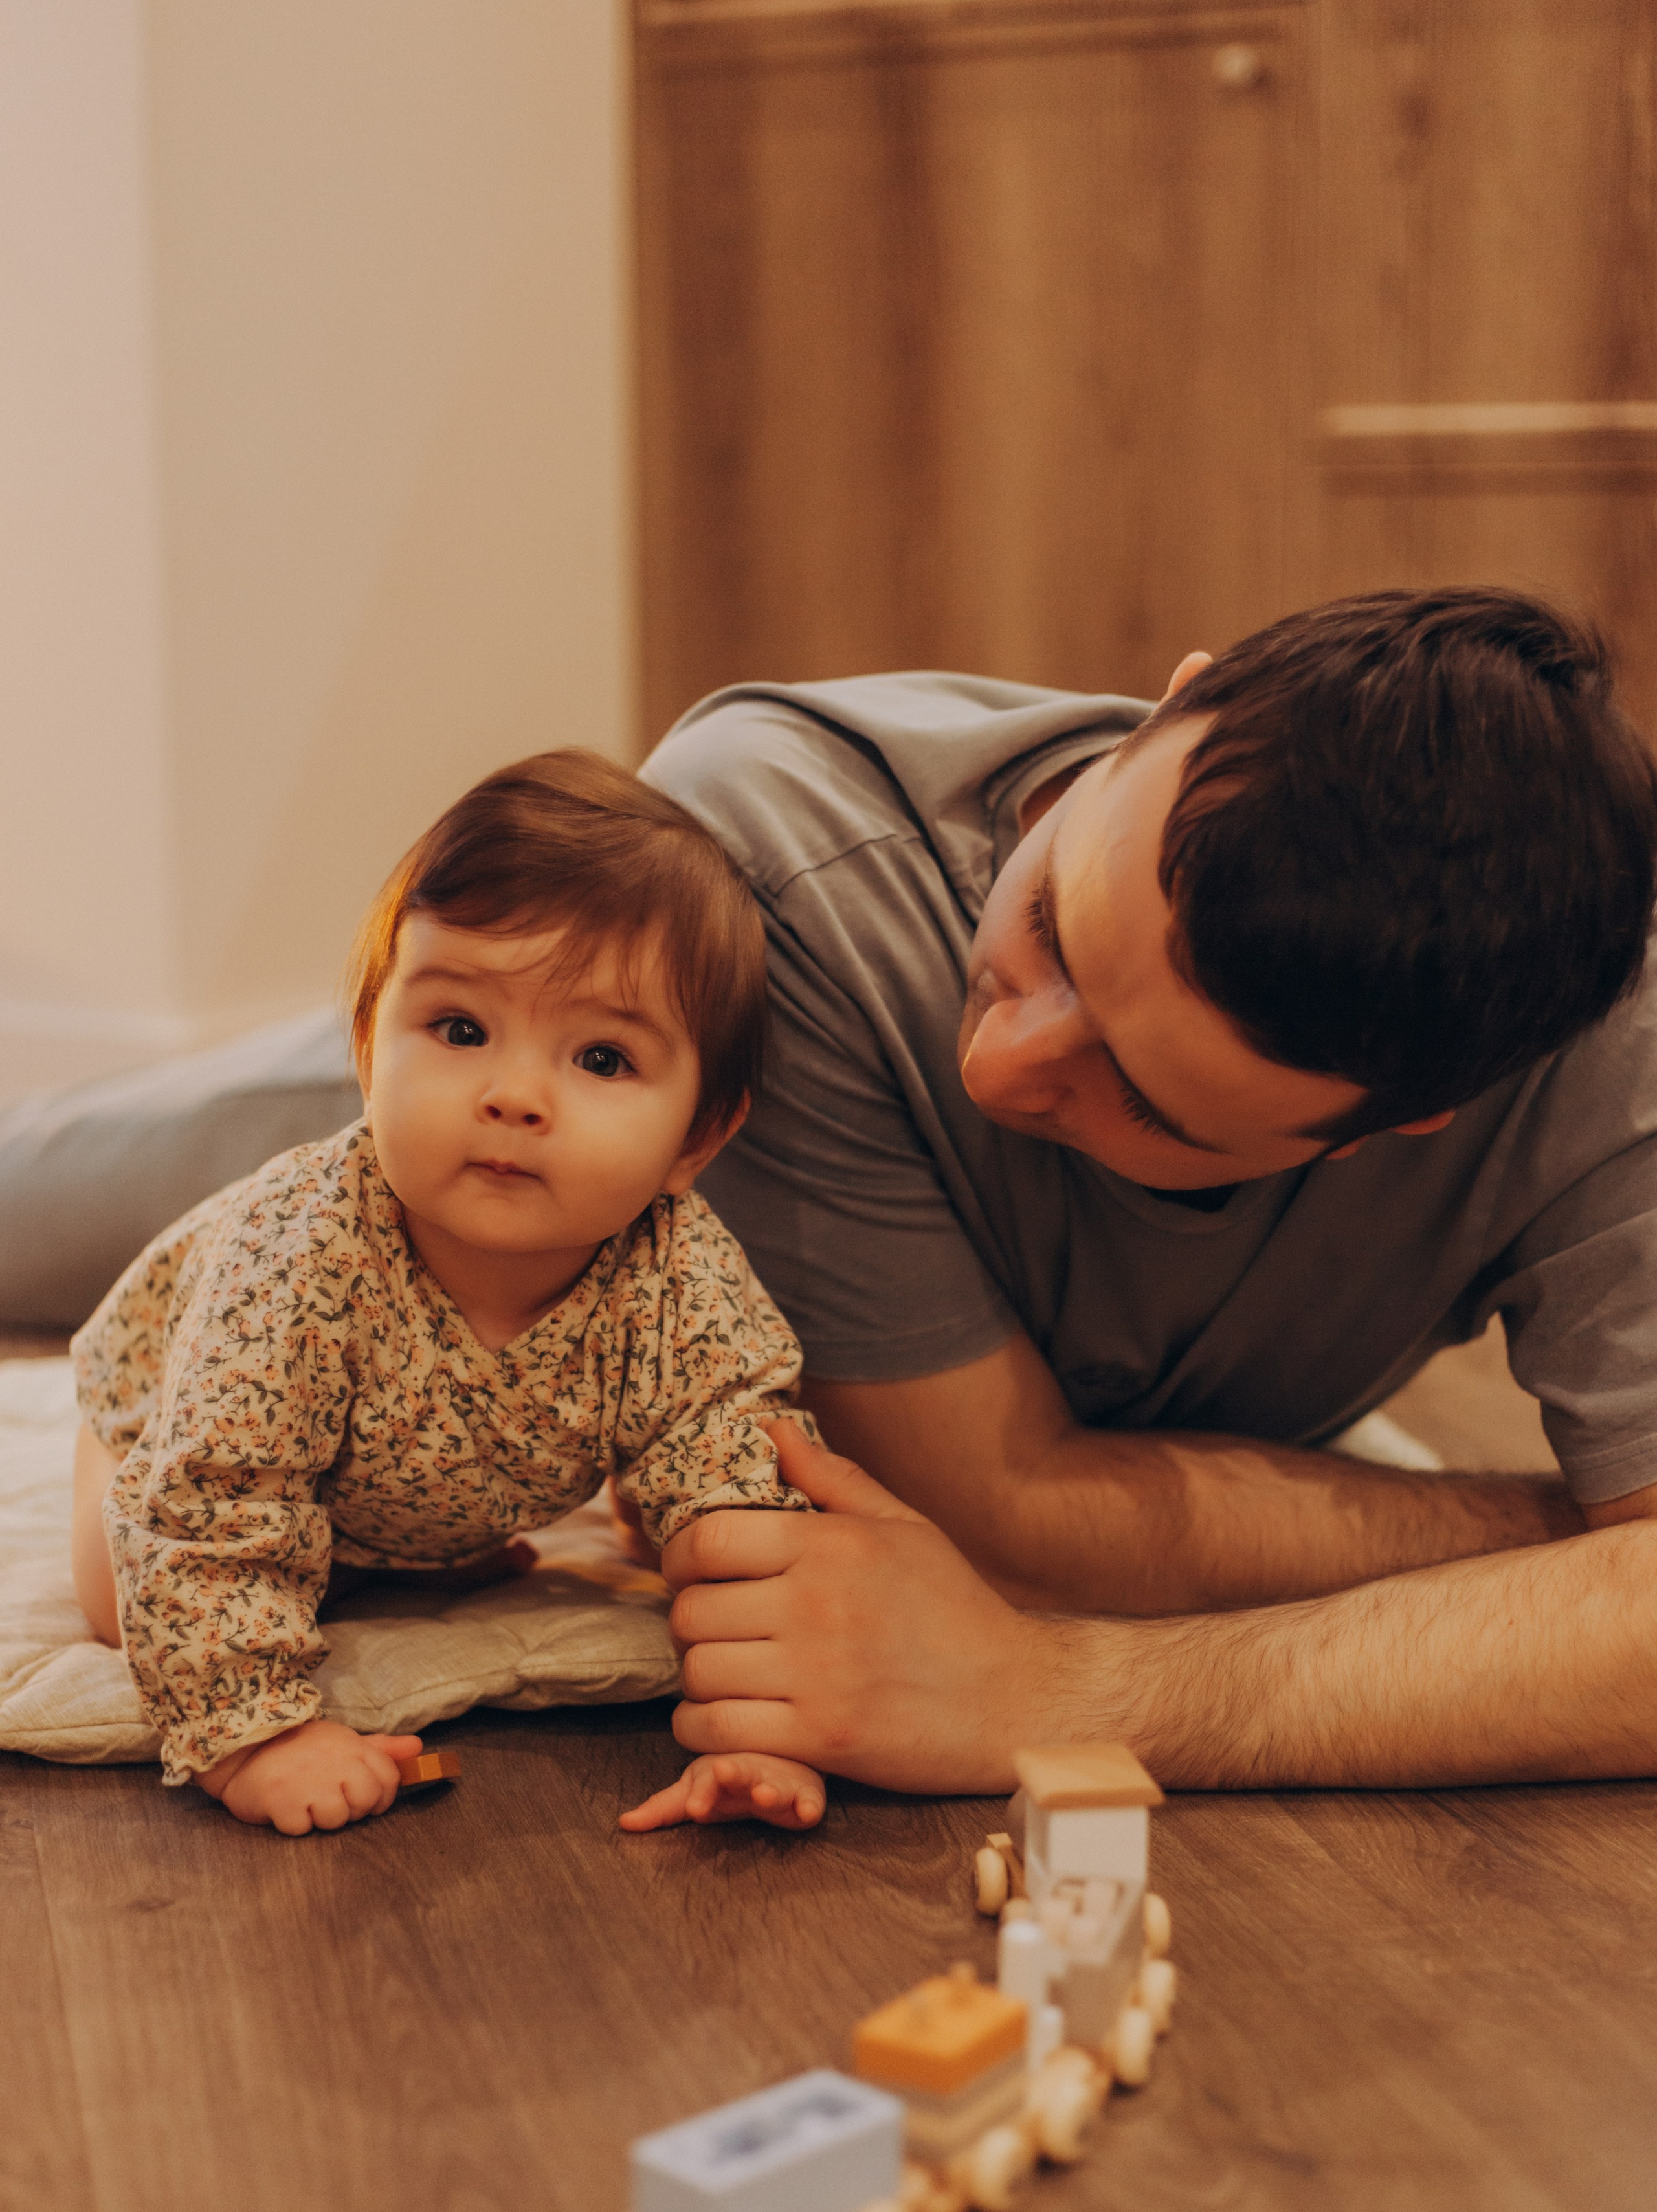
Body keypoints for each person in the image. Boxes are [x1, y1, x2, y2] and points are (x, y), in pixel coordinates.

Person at [638, 587, 1657, 1793]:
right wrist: (1558, 1555)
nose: (997, 1065)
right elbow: (988, 1520)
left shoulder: (1608, 1053)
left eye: (1145, 1101)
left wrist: (1062, 1694)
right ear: (1173, 700)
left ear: (1400, 1126)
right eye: (1049, 924)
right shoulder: (766, 862)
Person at [69, 750, 830, 1837]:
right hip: (175, 1412)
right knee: (119, 1597)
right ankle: (338, 1544)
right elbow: (202, 1506)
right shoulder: (298, 1256)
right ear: (370, 1044)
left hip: (399, 1482)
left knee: (699, 1500)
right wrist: (262, 1736)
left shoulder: (679, 1282)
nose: (514, 1096)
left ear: (698, 1138)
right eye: (462, 1031)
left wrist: (760, 1725)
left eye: (603, 1059)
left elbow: (743, 1506)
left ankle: (403, 1542)